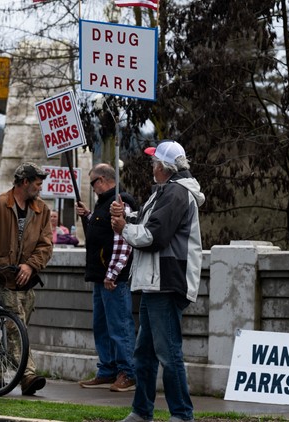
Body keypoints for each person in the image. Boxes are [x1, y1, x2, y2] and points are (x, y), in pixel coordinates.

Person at [110, 140, 205, 422]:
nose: (152, 166)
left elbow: (154, 237)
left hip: (166, 281)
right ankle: (141, 412)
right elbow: (146, 221)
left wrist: (123, 228)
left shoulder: (175, 194)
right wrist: (125, 217)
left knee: (167, 352)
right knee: (145, 353)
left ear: (164, 168)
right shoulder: (167, 192)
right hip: (156, 282)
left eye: (154, 163)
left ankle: (181, 414)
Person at [0, 161, 54, 396]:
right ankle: (27, 376)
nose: (40, 187)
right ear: (24, 182)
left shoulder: (41, 210)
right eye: (37, 182)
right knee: (16, 329)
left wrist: (31, 265)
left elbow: (46, 244)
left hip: (27, 281)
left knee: (17, 329)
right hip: (2, 277)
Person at [75, 163, 138, 392]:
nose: (92, 188)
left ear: (102, 180)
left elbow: (123, 241)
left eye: (93, 183)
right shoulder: (105, 204)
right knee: (102, 326)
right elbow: (105, 230)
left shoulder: (120, 203)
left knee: (119, 326)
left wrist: (112, 273)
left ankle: (128, 372)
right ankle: (108, 369)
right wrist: (89, 216)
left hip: (113, 279)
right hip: (102, 277)